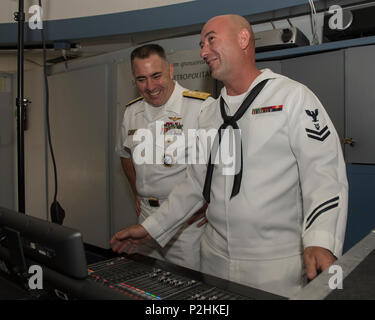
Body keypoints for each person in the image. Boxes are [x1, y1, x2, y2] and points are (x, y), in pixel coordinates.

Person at [111, 15, 348, 297]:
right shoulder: (211, 112)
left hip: (274, 266)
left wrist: (321, 240)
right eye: (201, 44)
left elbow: (323, 173)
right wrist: (151, 228)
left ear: (243, 39)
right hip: (214, 260)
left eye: (211, 39)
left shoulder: (292, 98)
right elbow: (195, 183)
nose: (203, 51)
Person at [115, 44, 212, 271]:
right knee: (148, 285)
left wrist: (213, 202)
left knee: (188, 292)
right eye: (141, 79)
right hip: (146, 216)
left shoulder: (200, 107)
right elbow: (124, 154)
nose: (150, 86)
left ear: (170, 70)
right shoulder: (132, 112)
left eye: (156, 76)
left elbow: (220, 164)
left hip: (186, 225)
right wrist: (136, 191)